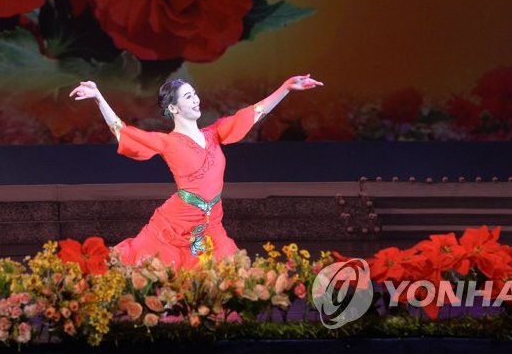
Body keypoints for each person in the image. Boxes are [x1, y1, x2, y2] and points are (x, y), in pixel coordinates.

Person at [69, 75, 323, 269]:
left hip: (212, 222)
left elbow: (252, 115)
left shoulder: (213, 134)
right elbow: (123, 132)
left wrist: (285, 88)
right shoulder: (168, 142)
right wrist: (98, 98)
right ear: (174, 108)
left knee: (223, 278)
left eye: (195, 94)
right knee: (174, 276)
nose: (196, 99)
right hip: (178, 223)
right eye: (188, 97)